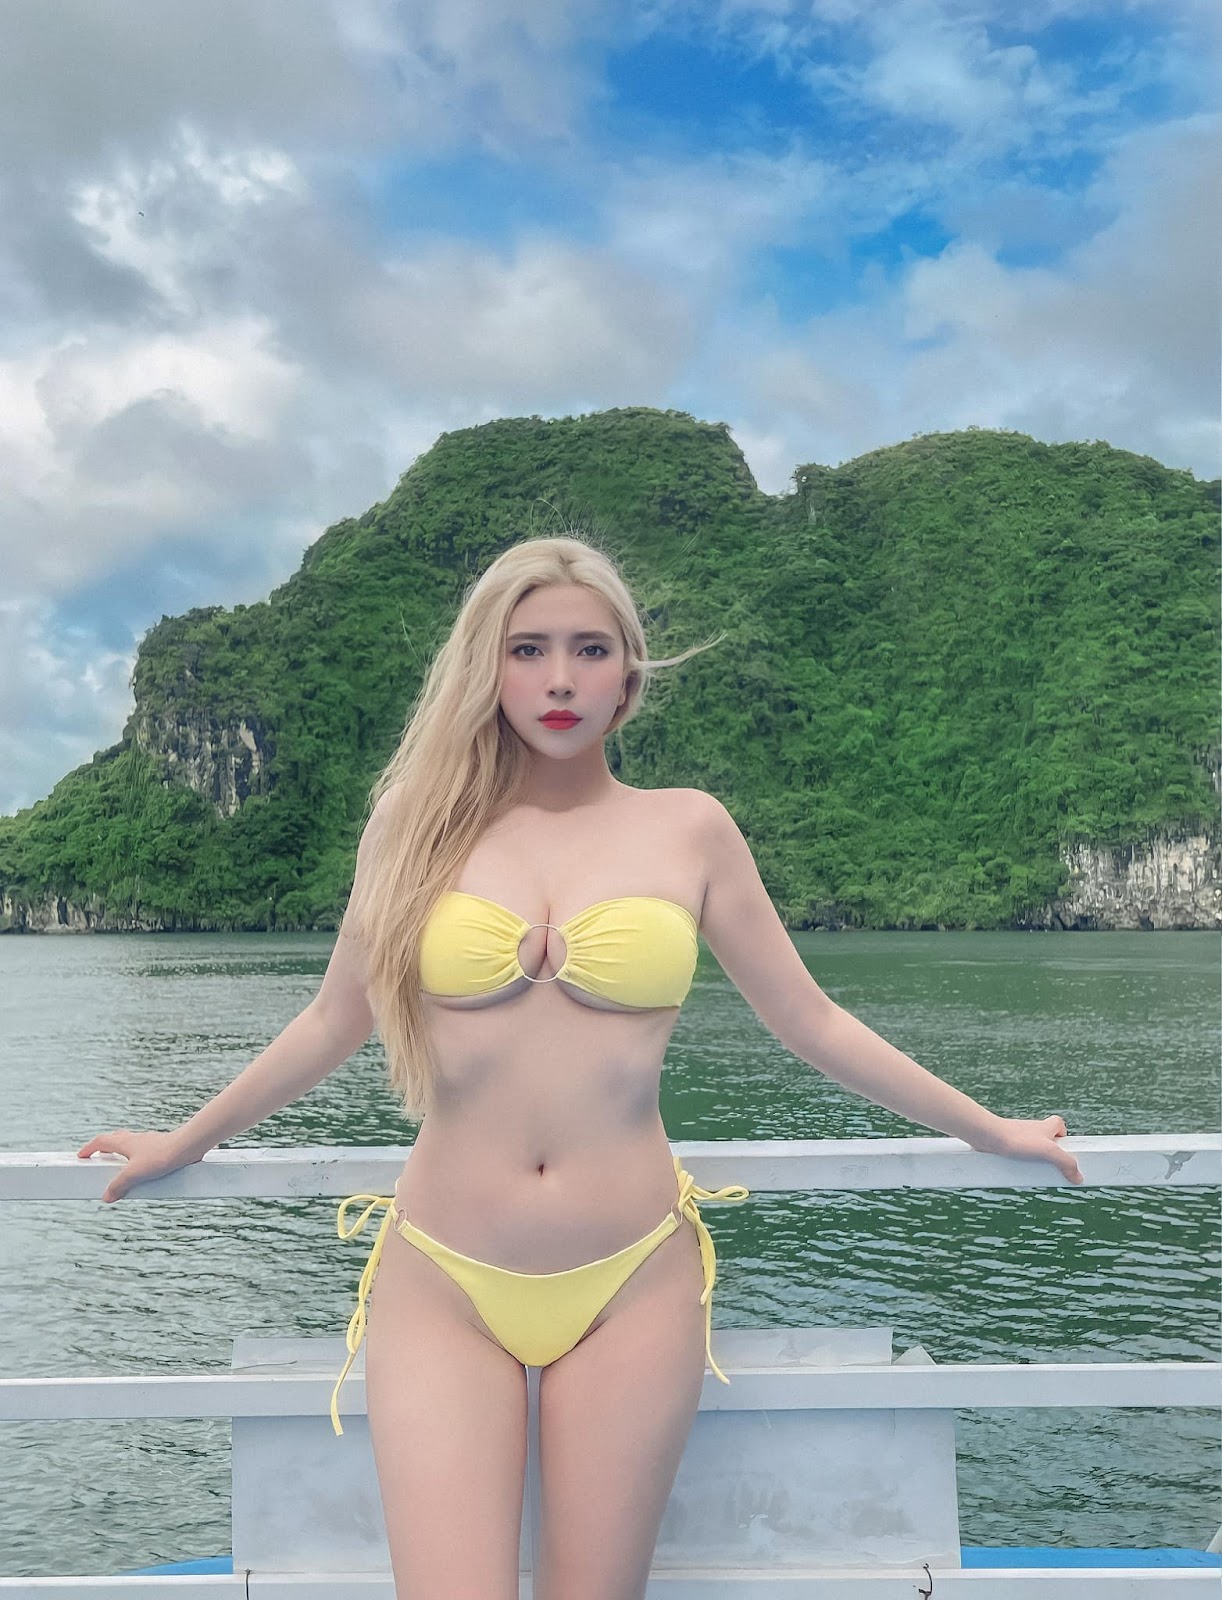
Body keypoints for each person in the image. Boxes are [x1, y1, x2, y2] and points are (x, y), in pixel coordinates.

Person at [78, 534, 1083, 1599]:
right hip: (443, 1275)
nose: (559, 678)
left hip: (633, 1277)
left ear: (628, 674)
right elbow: (333, 1019)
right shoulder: (413, 827)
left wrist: (991, 1130)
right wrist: (184, 1141)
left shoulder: (688, 829)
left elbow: (812, 1021)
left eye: (589, 649)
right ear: (488, 667)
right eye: (528, 649)